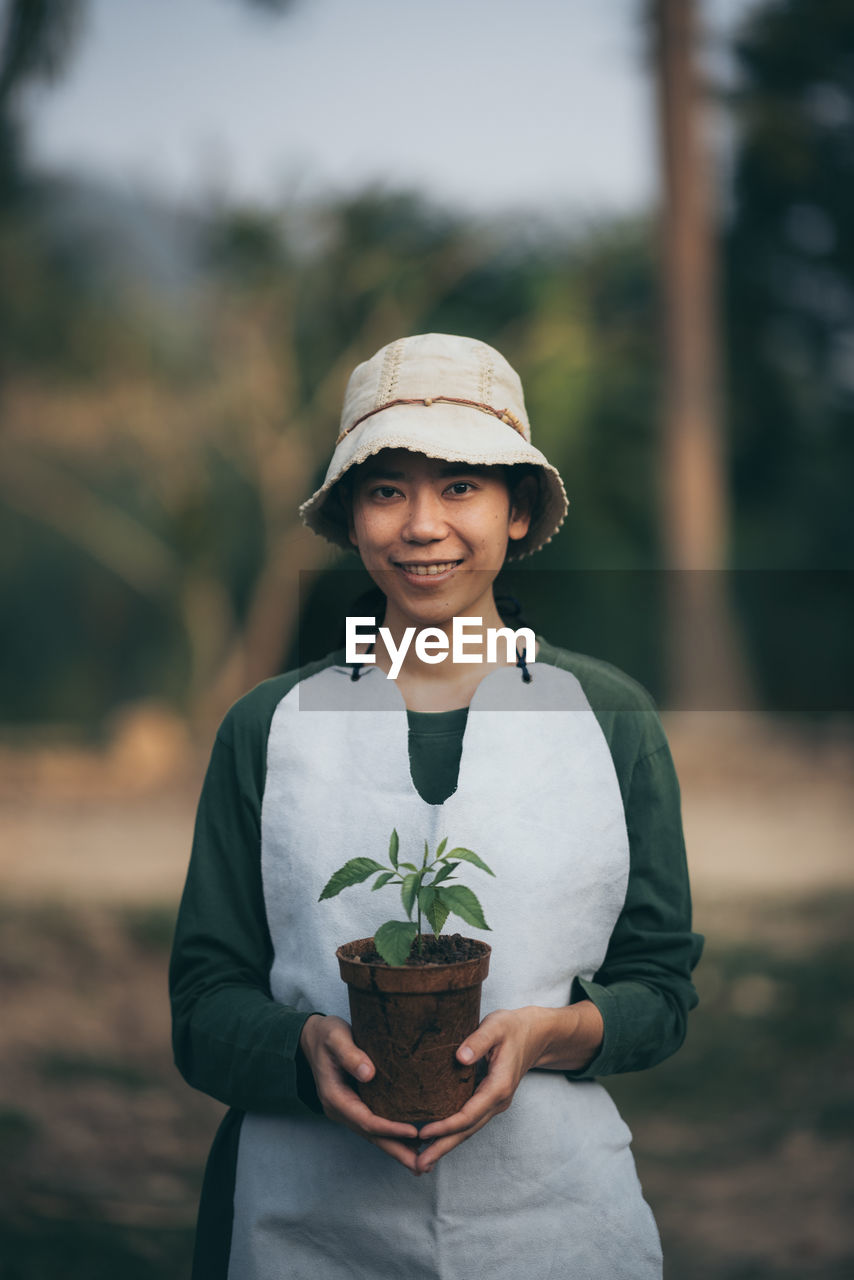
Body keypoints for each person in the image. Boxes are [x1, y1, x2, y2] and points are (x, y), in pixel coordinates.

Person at [170, 332, 703, 1280]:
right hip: (303, 1228)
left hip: (553, 1223)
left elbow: (660, 988)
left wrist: (554, 1034)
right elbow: (205, 1003)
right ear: (349, 515)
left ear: (519, 507)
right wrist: (303, 1049)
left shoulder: (609, 717)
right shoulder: (268, 725)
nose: (422, 526)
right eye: (386, 489)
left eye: (461, 485)